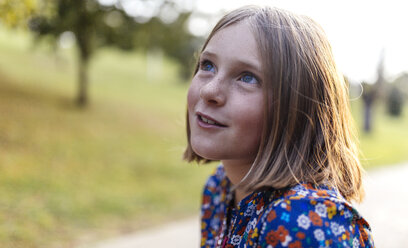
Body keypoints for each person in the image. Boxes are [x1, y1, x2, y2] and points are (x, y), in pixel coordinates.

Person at [184, 5, 374, 248]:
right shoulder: (220, 188)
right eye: (207, 65)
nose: (209, 90)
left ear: (298, 108)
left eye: (247, 77)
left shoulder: (305, 223)